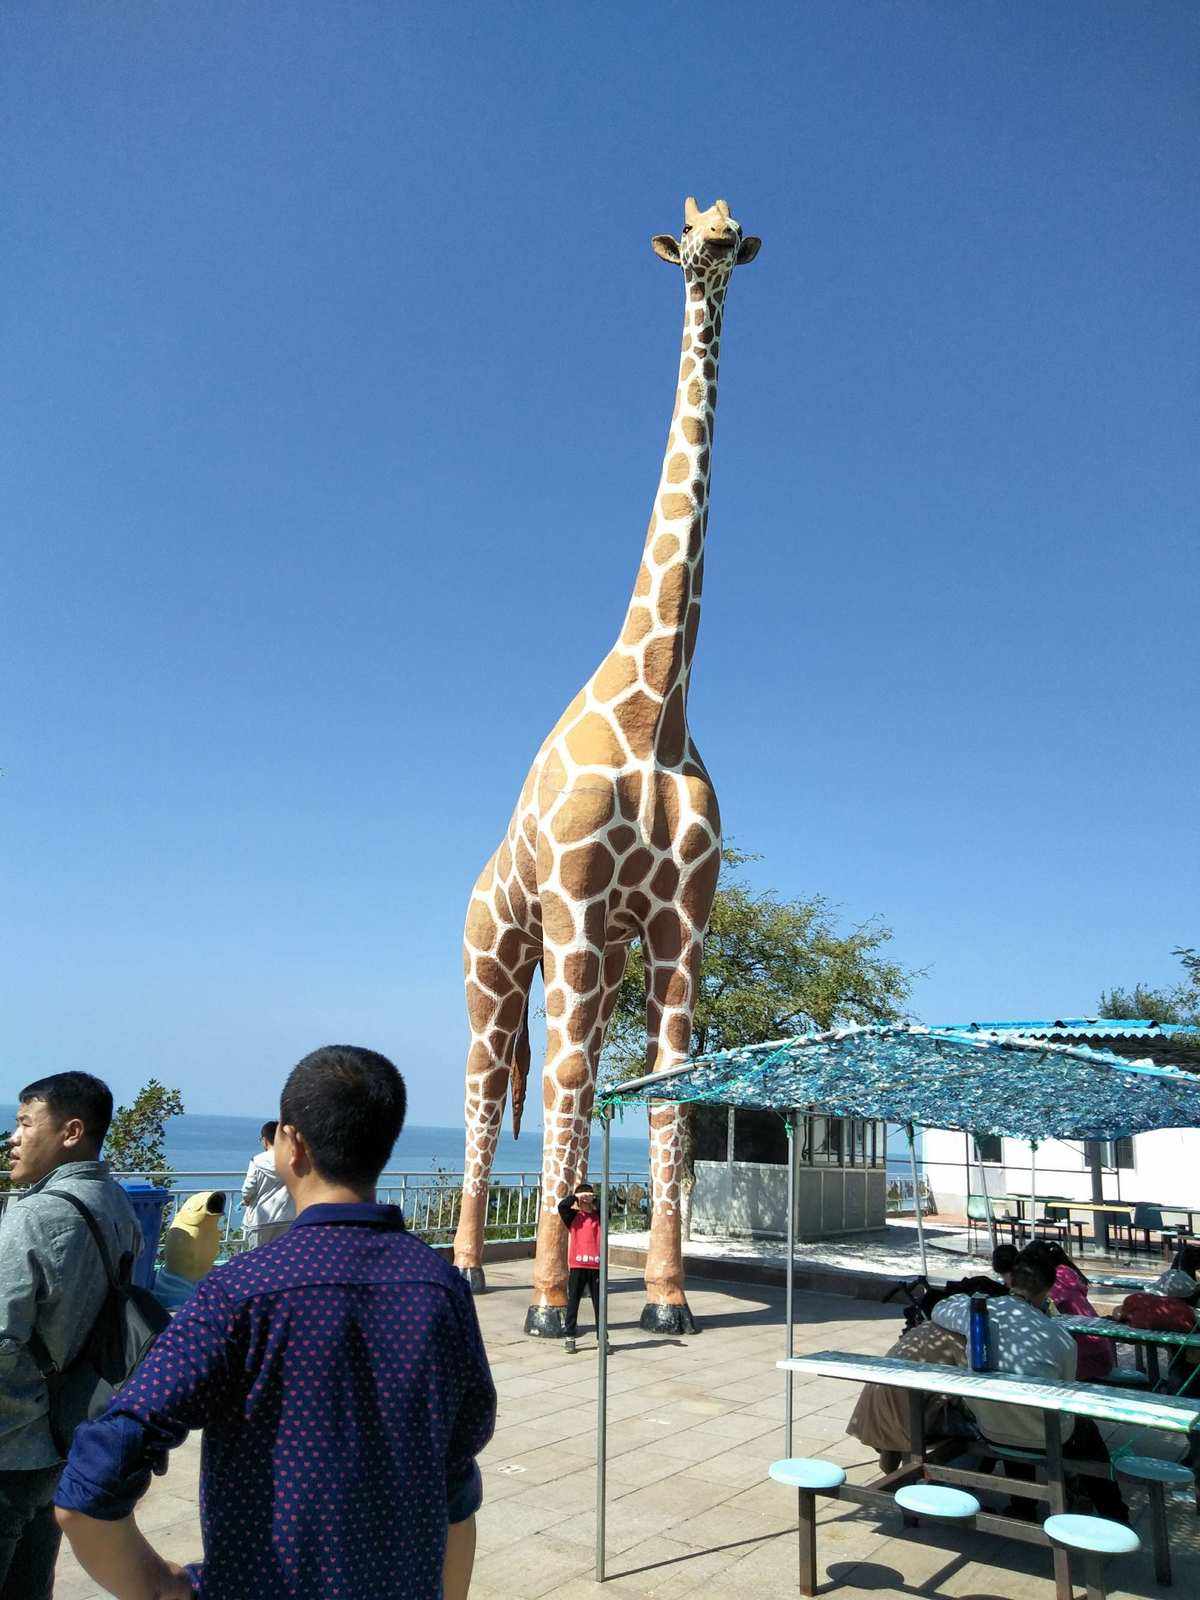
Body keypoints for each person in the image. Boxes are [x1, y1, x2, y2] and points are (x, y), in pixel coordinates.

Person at [55, 1045, 497, 1600]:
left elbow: (90, 1486)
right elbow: (456, 1480)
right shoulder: (443, 1289)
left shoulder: (239, 1292)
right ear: (384, 1145)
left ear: (292, 1144)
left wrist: (163, 1587)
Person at [0, 1071, 142, 1600]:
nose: (13, 1138)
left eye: (24, 1123)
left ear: (71, 1131)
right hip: (66, 1432)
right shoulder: (117, 1205)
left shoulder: (32, 1217)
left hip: (10, 1444)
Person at [932, 1250, 1129, 1521]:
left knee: (1014, 1413)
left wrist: (965, 1299)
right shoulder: (1060, 1338)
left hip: (990, 1427)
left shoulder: (978, 1314)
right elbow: (1065, 1393)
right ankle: (1114, 1512)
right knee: (1080, 1430)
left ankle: (1023, 1506)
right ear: (1047, 1290)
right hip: (1044, 1434)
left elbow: (939, 1309)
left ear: (1011, 1280)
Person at [847, 1318, 971, 1473]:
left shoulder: (930, 1326)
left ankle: (895, 1474)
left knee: (900, 1419)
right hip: (904, 1409)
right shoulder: (962, 1339)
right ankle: (912, 1479)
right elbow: (970, 1388)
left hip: (879, 1399)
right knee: (974, 1431)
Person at [1021, 1240, 1115, 1381]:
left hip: (1088, 1355)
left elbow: (1035, 1306)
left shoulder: (1057, 1279)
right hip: (1097, 1349)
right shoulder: (1065, 1273)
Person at [557, 1183, 606, 1355]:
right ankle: (570, 1337)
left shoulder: (600, 1217)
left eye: (589, 1195)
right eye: (583, 1196)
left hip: (596, 1266)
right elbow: (562, 1206)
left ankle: (602, 1339)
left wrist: (594, 1198)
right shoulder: (573, 1217)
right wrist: (576, 1197)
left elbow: (607, 1208)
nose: (586, 1198)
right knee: (573, 1302)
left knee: (599, 1303)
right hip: (577, 1266)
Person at [240, 1120, 294, 1247]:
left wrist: (246, 1199)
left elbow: (248, 1189)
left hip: (261, 1219)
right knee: (280, 1258)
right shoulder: (292, 1159)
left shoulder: (257, 1161)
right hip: (287, 1217)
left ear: (265, 1140)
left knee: (257, 1259)